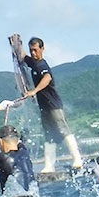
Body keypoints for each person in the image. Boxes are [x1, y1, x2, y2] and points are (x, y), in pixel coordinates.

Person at [14, 36, 82, 172]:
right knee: (49, 134)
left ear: (42, 49)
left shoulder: (42, 65)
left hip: (54, 106)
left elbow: (47, 78)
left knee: (63, 129)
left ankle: (77, 159)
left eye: (35, 50)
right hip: (44, 107)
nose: (33, 53)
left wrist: (34, 90)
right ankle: (49, 166)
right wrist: (15, 44)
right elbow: (23, 56)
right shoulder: (33, 63)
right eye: (31, 50)